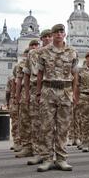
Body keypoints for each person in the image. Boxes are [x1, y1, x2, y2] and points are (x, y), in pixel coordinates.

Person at [36, 24, 79, 172]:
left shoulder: (72, 52)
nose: (59, 34)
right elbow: (40, 74)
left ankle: (61, 159)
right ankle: (47, 158)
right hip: (48, 90)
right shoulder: (43, 52)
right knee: (46, 126)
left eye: (61, 32)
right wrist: (38, 92)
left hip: (66, 91)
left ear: (65, 34)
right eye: (56, 32)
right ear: (53, 35)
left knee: (63, 127)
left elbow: (75, 75)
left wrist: (73, 93)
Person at [24, 30, 53, 165]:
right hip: (36, 88)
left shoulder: (59, 52)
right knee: (36, 122)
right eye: (44, 37)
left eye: (49, 36)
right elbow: (27, 74)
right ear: (41, 39)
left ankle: (50, 153)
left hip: (52, 89)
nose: (47, 39)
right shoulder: (33, 53)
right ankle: (37, 152)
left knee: (52, 124)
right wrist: (26, 94)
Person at [15, 43, 39, 158]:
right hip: (26, 91)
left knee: (36, 120)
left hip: (37, 91)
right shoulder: (22, 64)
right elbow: (19, 80)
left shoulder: (42, 57)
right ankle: (27, 146)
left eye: (36, 45)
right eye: (32, 45)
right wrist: (17, 95)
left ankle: (37, 147)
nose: (34, 47)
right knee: (25, 120)